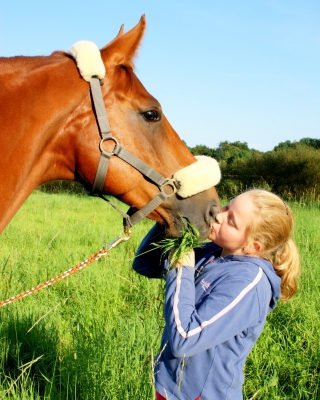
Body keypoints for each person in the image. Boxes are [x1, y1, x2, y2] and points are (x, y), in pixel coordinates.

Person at [132, 189, 300, 400]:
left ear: (253, 246)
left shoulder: (249, 284)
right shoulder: (213, 252)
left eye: (231, 221)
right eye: (228, 206)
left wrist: (181, 269)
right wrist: (168, 219)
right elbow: (145, 264)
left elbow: (184, 340)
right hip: (170, 387)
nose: (219, 215)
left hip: (200, 395)